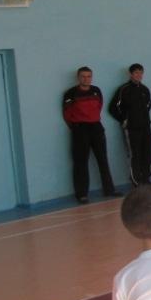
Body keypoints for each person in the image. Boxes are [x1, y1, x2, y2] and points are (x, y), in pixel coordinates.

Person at [63, 66, 120, 203]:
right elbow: (67, 114)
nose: (86, 79)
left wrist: (92, 120)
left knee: (103, 159)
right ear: (78, 77)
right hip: (80, 129)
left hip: (96, 127)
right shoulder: (71, 93)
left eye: (89, 76)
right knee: (80, 162)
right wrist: (77, 126)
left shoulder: (96, 91)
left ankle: (109, 189)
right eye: (83, 76)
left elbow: (99, 107)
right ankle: (82, 194)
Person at [109, 63, 151, 186]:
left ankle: (146, 178)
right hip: (131, 128)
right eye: (136, 73)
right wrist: (124, 120)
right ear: (131, 74)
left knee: (147, 153)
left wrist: (144, 119)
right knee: (135, 154)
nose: (139, 75)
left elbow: (148, 105)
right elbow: (113, 108)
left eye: (141, 73)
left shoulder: (145, 89)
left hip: (145, 127)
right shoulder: (124, 89)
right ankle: (136, 180)